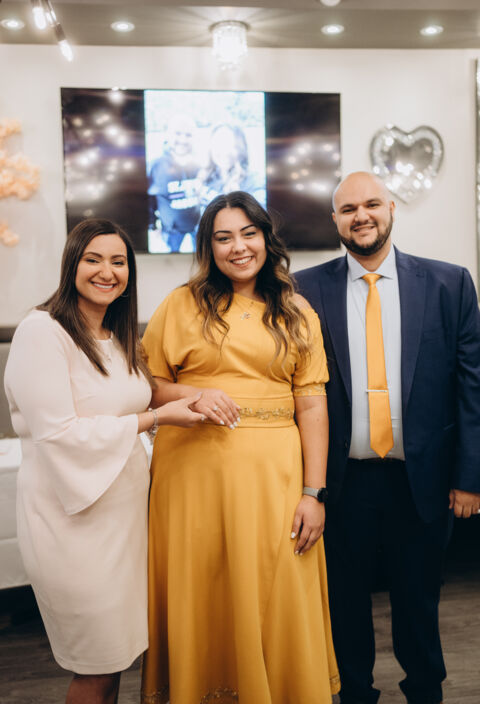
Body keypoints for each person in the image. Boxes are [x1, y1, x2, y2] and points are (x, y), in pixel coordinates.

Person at [140, 191, 340, 703]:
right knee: (203, 587)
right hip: (192, 478)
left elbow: (312, 405)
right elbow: (149, 388)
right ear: (209, 247)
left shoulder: (296, 311)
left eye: (249, 233)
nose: (238, 247)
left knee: (278, 586)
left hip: (275, 479)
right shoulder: (180, 304)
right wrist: (193, 393)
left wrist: (313, 493)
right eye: (223, 237)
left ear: (266, 239)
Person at [295, 171, 480, 704]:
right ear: (335, 220)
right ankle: (354, 694)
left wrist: (470, 477)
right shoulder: (303, 289)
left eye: (372, 204)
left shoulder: (449, 284)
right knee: (344, 602)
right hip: (341, 481)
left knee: (419, 603)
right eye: (349, 208)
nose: (362, 216)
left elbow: (471, 387)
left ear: (391, 208)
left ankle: (425, 692)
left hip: (421, 479)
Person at [3, 218, 203, 704]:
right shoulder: (42, 331)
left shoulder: (116, 336)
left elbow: (143, 392)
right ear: (71, 263)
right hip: (72, 522)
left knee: (117, 660)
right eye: (93, 259)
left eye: (118, 261)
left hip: (124, 519)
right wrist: (156, 419)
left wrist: (204, 393)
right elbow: (59, 433)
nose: (106, 272)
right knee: (95, 665)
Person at [148, 113, 201, 253]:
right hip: (171, 231)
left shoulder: (201, 164)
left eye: (188, 135)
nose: (183, 140)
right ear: (168, 134)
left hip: (199, 228)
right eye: (177, 133)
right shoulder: (156, 165)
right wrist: (152, 225)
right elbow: (149, 200)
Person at [199, 123, 266, 207]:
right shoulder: (206, 176)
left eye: (232, 146)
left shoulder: (254, 181)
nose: (225, 152)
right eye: (219, 144)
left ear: (241, 149)